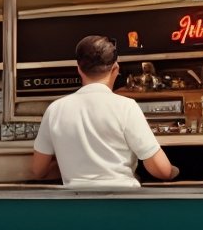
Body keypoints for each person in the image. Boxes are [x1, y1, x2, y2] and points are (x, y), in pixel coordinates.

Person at [29, 34, 178, 191]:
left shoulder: (55, 110)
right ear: (115, 68)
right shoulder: (126, 107)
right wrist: (175, 172)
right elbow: (162, 170)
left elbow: (38, 171)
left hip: (76, 206)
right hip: (123, 204)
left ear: (79, 69)